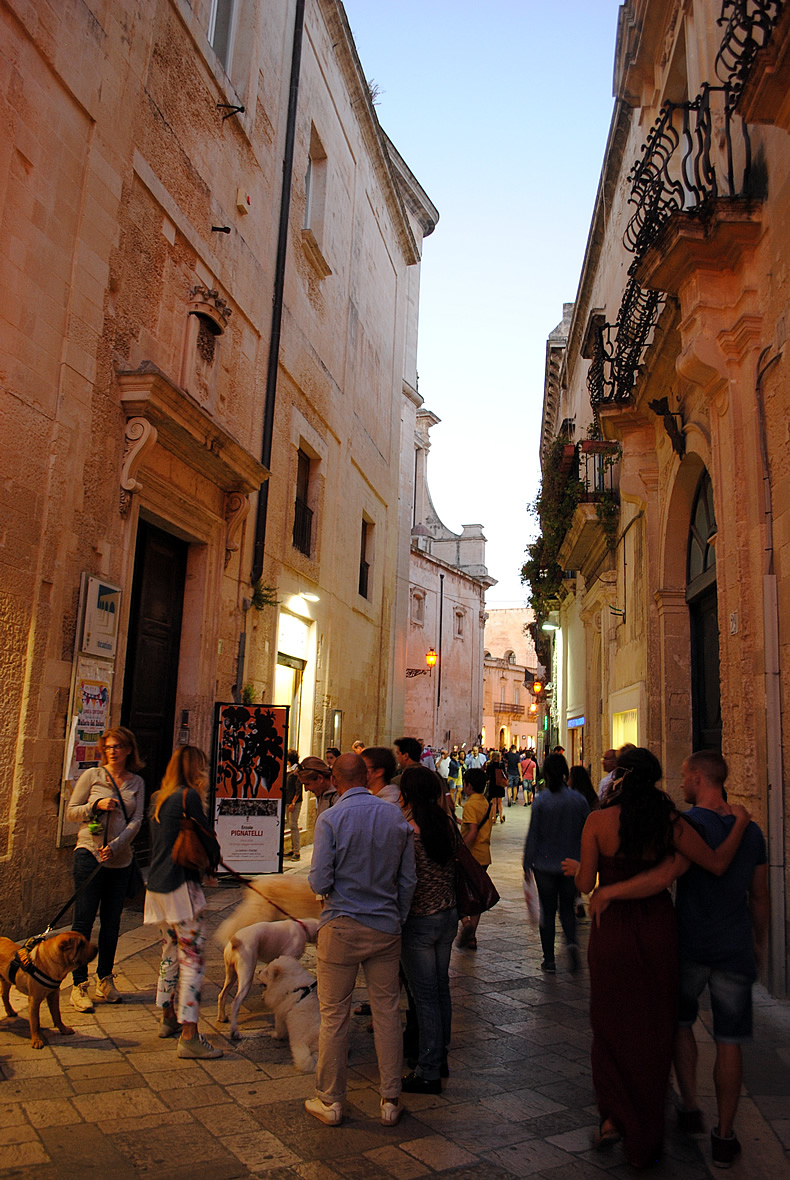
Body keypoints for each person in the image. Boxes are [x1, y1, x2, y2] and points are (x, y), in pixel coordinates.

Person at [564, 747, 751, 1168]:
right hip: (656, 931)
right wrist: (739, 823)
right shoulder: (671, 823)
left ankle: (614, 1117)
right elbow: (717, 863)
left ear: (623, 779)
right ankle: (648, 1128)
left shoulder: (597, 821)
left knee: (610, 1024)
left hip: (611, 931)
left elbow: (584, 883)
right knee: (652, 1028)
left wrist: (582, 871)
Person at [305, 753, 416, 1128]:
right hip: (385, 926)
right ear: (366, 777)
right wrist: (395, 918)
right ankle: (389, 1099)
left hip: (341, 925)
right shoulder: (394, 817)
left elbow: (319, 881)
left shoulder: (331, 819)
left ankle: (331, 1100)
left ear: (335, 779)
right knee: (387, 1012)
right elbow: (408, 880)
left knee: (334, 1014)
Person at [144, 745, 222, 1058]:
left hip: (157, 887)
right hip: (181, 887)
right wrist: (212, 862)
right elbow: (206, 837)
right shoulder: (188, 796)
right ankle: (189, 1034)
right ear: (195, 768)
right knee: (192, 958)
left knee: (169, 953)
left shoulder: (157, 798)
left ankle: (167, 1017)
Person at [67, 727, 145, 1010]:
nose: (112, 751)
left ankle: (105, 978)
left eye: (118, 746)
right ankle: (78, 984)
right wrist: (95, 805)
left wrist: (117, 845)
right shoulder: (93, 776)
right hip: (89, 854)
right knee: (83, 921)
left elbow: (137, 820)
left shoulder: (136, 782)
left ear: (128, 750)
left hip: (119, 859)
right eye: (109, 746)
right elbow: (71, 810)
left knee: (111, 922)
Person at [399, 766, 459, 1095]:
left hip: (420, 921)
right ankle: (441, 1056)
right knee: (440, 991)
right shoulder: (447, 824)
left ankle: (429, 1070)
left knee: (425, 998)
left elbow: (405, 879)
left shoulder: (409, 830)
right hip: (447, 915)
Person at [522, 754, 589, 974]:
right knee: (567, 908)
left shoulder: (541, 801)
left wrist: (527, 863)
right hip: (571, 863)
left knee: (548, 911)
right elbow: (586, 833)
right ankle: (571, 942)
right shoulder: (579, 800)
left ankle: (549, 959)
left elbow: (534, 834)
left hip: (545, 865)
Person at [456, 767, 494, 950]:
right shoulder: (485, 802)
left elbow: (472, 831)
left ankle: (466, 923)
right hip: (484, 854)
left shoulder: (470, 803)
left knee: (458, 891)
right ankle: (472, 935)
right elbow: (477, 823)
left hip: (471, 855)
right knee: (476, 896)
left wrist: (459, 848)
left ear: (469, 785)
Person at [284, 750, 303, 860]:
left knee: (293, 824)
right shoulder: (289, 770)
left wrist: (293, 802)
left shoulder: (296, 770)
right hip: (288, 800)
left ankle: (297, 851)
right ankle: (293, 848)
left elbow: (298, 788)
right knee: (291, 825)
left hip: (294, 801)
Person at [485, 749, 507, 823]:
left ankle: (494, 818)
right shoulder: (502, 764)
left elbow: (487, 775)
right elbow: (505, 773)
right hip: (500, 784)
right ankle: (501, 816)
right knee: (500, 802)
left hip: (492, 784)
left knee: (494, 802)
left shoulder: (490, 765)